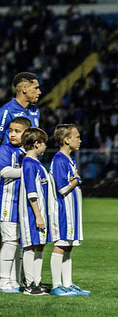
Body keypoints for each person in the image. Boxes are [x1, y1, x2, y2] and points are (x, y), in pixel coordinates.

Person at [0, 72, 41, 288]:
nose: (39, 91)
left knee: (17, 226)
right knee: (2, 225)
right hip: (7, 177)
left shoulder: (35, 111)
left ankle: (16, 275)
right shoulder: (6, 111)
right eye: (36, 88)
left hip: (24, 177)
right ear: (23, 89)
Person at [48, 124, 90, 296]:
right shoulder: (59, 160)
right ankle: (56, 285)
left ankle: (67, 283)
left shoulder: (71, 160)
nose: (79, 140)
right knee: (60, 245)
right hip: (62, 210)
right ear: (66, 139)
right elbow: (62, 189)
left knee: (68, 246)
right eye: (77, 136)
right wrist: (76, 181)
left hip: (72, 210)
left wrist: (75, 179)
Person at [0, 117, 30, 293]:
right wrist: (29, 171)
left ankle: (16, 280)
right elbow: (5, 171)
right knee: (9, 242)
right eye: (11, 131)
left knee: (20, 244)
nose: (12, 134)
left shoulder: (27, 152)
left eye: (17, 131)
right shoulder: (5, 149)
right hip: (8, 203)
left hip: (23, 205)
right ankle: (3, 280)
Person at [18, 127, 52, 295]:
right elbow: (32, 193)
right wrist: (38, 215)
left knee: (39, 246)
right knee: (30, 247)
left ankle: (37, 281)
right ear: (37, 143)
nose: (45, 147)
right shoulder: (29, 164)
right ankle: (29, 284)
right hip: (31, 214)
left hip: (39, 213)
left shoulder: (35, 163)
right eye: (44, 144)